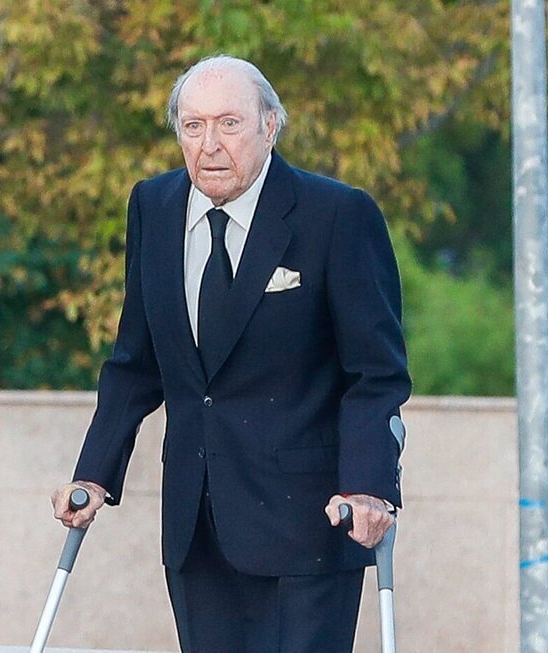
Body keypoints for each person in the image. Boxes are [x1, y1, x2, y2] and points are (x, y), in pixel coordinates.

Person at [51, 55, 412, 653]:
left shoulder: (337, 216)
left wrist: (370, 485)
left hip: (308, 525)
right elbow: (136, 361)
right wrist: (94, 472)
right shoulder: (153, 207)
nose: (209, 145)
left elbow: (374, 375)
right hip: (196, 525)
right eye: (192, 127)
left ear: (271, 126)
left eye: (229, 124)